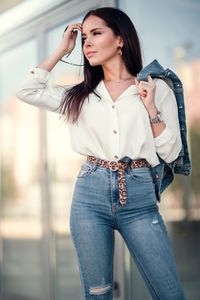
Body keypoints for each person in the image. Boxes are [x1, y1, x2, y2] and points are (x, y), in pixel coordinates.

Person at [16, 6, 186, 300]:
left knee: (169, 293)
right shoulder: (80, 95)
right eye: (84, 39)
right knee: (98, 294)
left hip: (140, 197)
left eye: (96, 34)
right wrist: (61, 49)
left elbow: (171, 153)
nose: (87, 44)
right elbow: (28, 90)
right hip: (89, 196)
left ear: (120, 40)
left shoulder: (155, 88)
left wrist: (152, 111)